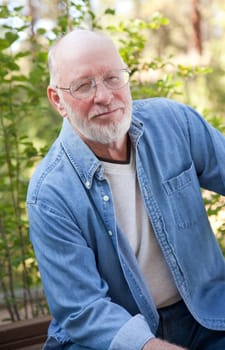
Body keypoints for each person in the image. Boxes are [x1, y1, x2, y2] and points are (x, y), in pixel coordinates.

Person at [27, 29, 225, 350]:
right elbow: (83, 309)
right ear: (57, 100)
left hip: (206, 315)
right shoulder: (50, 194)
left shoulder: (174, 123)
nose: (104, 96)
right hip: (110, 336)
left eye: (112, 78)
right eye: (83, 85)